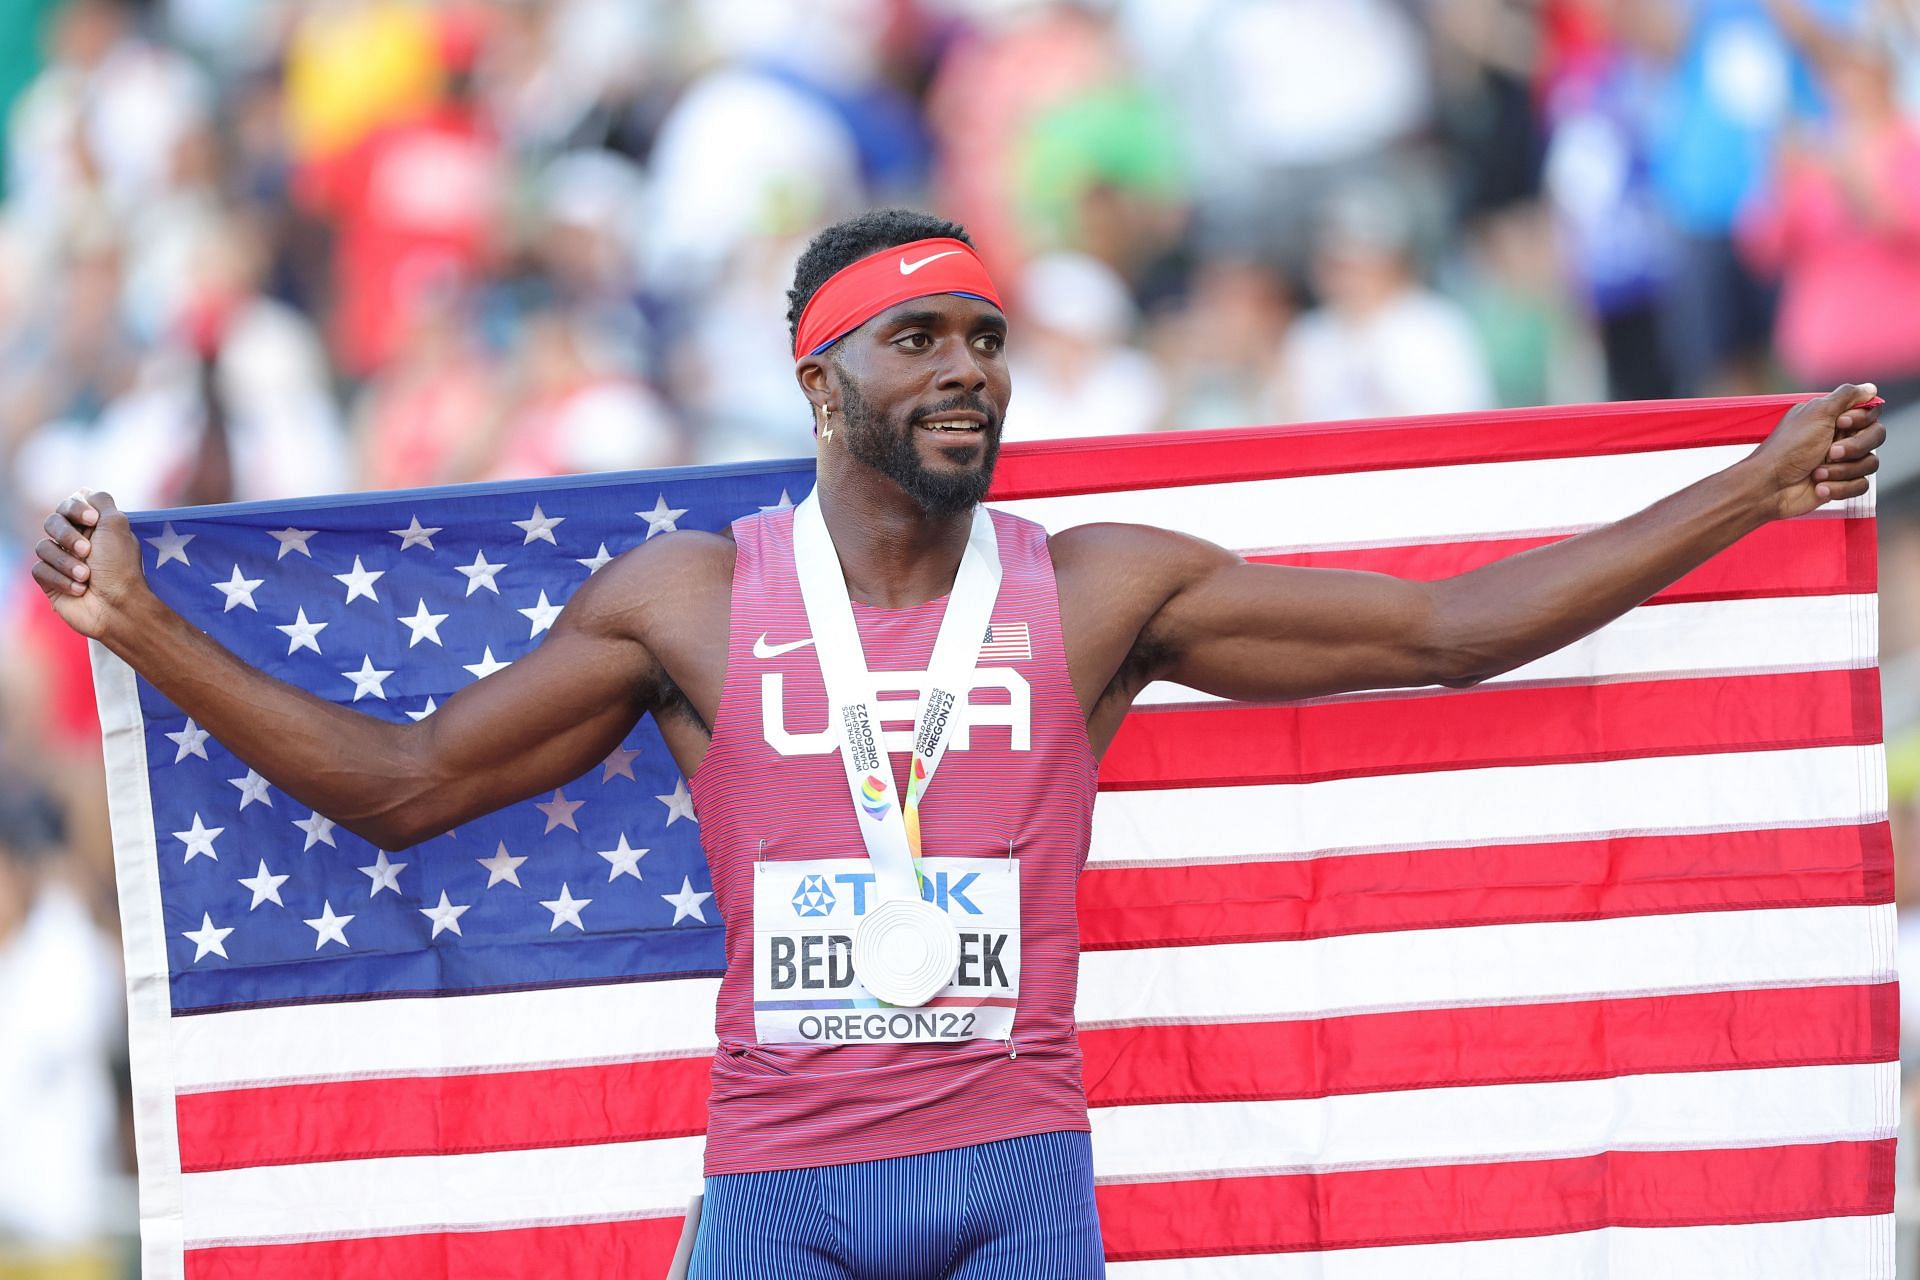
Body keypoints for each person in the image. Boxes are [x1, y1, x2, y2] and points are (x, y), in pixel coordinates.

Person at [31, 208, 1884, 1279]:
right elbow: (406, 783)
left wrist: (1750, 489)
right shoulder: (688, 602)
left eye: (987, 339)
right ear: (819, 377)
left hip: (1015, 1179)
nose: (969, 371)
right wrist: (146, 629)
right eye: (919, 339)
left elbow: (1446, 630)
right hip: (776, 1190)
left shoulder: (1095, 592)